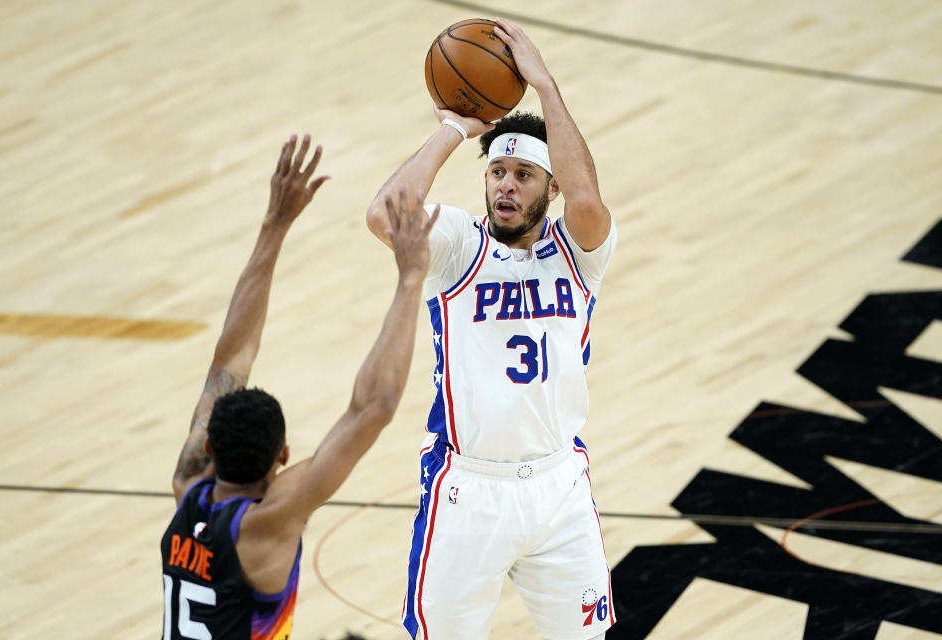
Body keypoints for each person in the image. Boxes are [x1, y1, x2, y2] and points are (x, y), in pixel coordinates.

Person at [365, 18, 618, 640]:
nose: (506, 184)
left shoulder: (579, 251)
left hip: (560, 487)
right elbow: (383, 214)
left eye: (523, 175)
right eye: (497, 172)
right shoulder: (456, 244)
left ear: (549, 187)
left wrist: (544, 86)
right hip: (469, 491)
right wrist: (455, 127)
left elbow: (587, 198)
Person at [163, 133, 439, 640]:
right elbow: (372, 408)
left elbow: (232, 357)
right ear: (283, 455)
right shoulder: (265, 524)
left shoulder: (188, 488)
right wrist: (410, 278)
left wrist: (275, 223)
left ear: (207, 446)